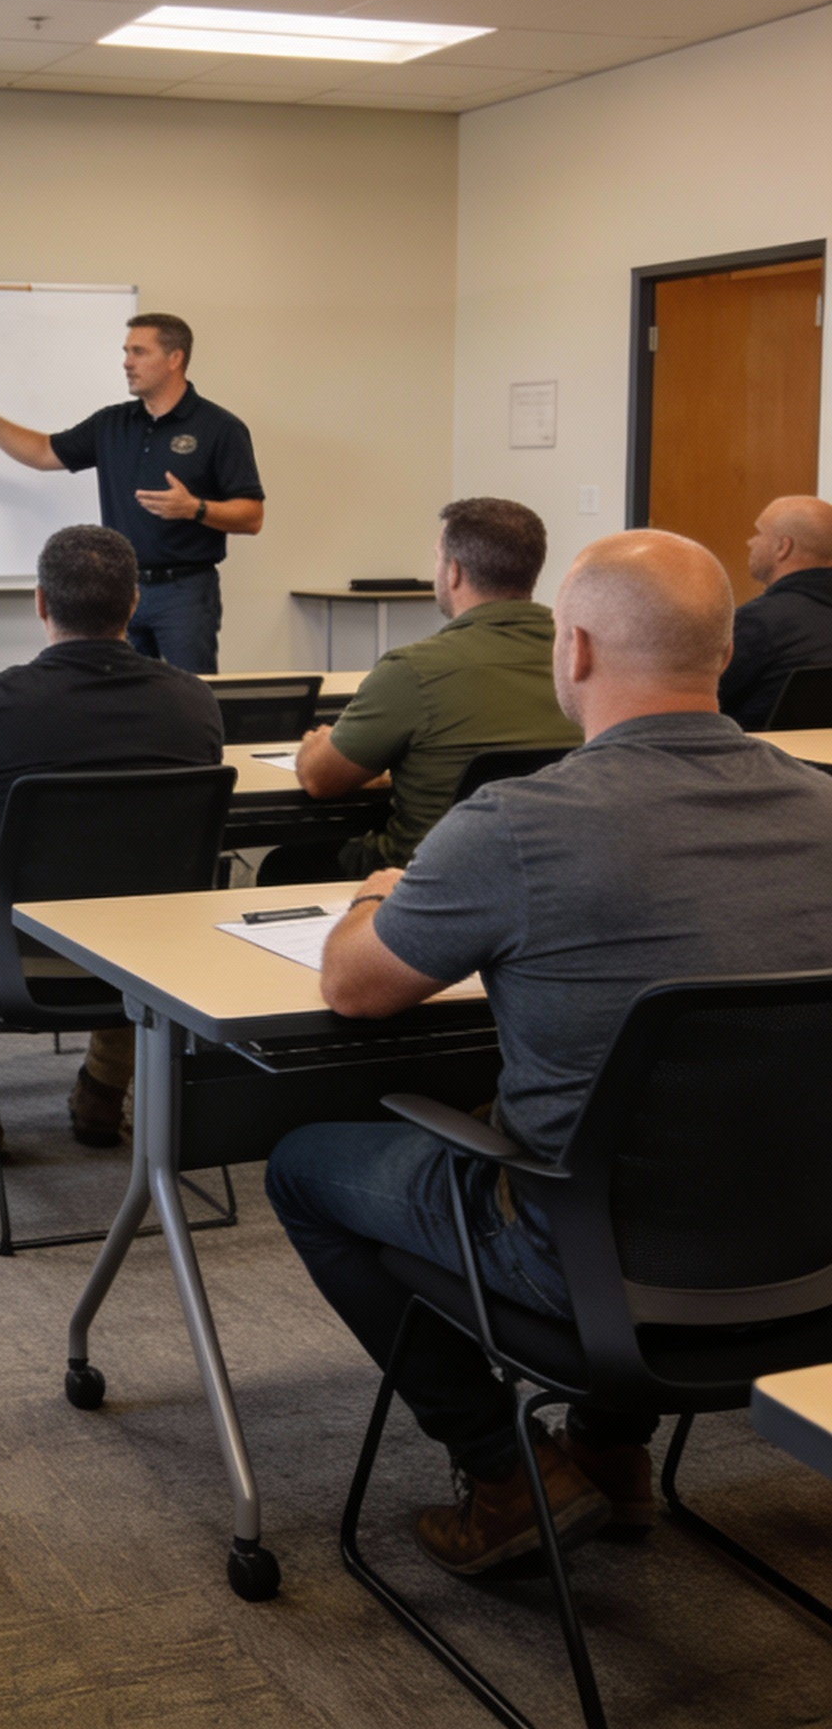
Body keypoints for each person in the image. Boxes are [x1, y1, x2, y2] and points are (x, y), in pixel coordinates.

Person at [265, 529, 832, 1578]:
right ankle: (610, 1451)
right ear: (718, 652)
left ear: (570, 650)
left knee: (302, 1164)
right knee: (667, 1141)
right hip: (805, 1259)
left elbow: (353, 985)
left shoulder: (517, 826)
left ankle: (501, 1473)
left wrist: (372, 890)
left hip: (586, 1265)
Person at [0, 524, 223, 1164]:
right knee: (120, 896)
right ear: (133, 603)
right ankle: (102, 1095)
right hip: (153, 956)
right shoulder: (194, 700)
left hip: (16, 956)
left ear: (40, 603)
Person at [266, 497, 577, 882]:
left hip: (424, 879)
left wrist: (318, 742)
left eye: (436, 558)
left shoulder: (413, 669)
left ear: (454, 571)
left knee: (284, 864)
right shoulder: (582, 657)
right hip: (553, 872)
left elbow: (319, 779)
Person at [0, 313, 263, 673]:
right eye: (126, 351)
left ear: (174, 359)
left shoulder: (220, 428)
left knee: (194, 693)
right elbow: (43, 452)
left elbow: (252, 516)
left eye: (138, 352)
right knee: (123, 695)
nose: (127, 362)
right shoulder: (112, 424)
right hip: (121, 589)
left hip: (184, 592)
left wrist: (195, 508)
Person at [718, 494, 832, 729]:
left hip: (757, 761)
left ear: (783, 547)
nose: (750, 542)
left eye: (759, 533)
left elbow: (693, 704)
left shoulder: (758, 624)